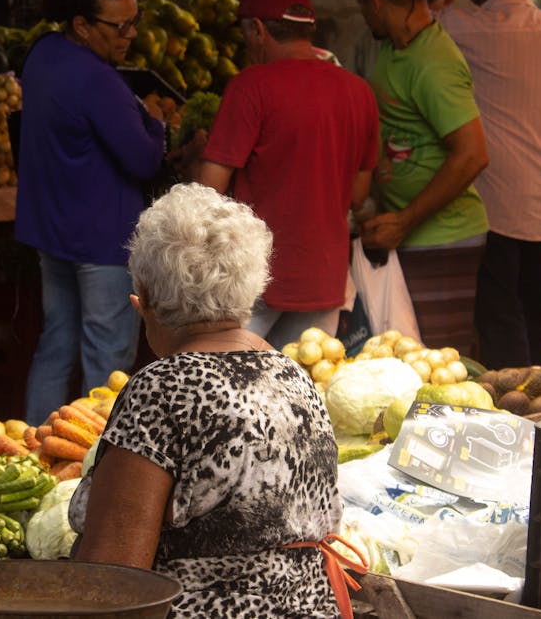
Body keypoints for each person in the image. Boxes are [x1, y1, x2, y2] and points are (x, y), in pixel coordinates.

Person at [71, 183, 363, 618]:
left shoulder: (163, 389)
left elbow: (112, 578)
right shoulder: (294, 377)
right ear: (251, 286)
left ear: (146, 298)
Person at [194, 0, 378, 348]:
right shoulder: (360, 92)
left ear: (258, 30)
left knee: (228, 386)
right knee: (300, 391)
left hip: (255, 277)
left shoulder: (251, 86)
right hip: (325, 278)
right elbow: (358, 195)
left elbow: (207, 192)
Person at [15, 0, 166, 425]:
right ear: (82, 25)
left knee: (56, 342)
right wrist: (155, 122)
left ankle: (35, 441)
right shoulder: (97, 80)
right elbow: (142, 159)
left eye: (134, 22)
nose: (131, 35)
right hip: (102, 239)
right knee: (107, 359)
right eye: (120, 27)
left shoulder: (44, 54)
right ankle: (95, 458)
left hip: (52, 231)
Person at [437, 0, 541, 370]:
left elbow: (424, 17)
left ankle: (516, 411)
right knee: (534, 311)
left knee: (500, 316)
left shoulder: (459, 28)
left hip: (495, 205)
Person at [353, 0, 490, 354]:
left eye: (361, 3)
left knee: (437, 365)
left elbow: (473, 154)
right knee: (410, 358)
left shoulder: (433, 62)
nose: (362, 14)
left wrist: (406, 220)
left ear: (377, 2)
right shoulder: (396, 48)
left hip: (443, 240)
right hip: (413, 236)